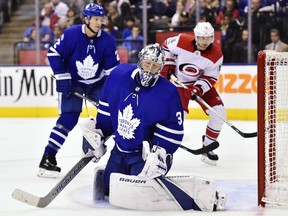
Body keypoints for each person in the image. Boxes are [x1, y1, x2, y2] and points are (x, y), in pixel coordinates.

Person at [80, 44, 226, 211]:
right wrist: (98, 135)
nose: (150, 70)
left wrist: (160, 153)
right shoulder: (118, 77)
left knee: (139, 193)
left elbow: (172, 130)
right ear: (140, 61)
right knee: (107, 188)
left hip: (142, 155)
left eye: (155, 66)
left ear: (161, 68)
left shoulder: (168, 93)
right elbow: (106, 113)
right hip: (119, 151)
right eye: (147, 63)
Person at [37, 3, 120, 178]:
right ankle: (48, 157)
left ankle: (94, 139)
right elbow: (53, 54)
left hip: (98, 83)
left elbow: (113, 71)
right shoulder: (72, 34)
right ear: (86, 19)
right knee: (68, 118)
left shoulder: (107, 41)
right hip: (74, 82)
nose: (99, 23)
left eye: (101, 19)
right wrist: (61, 75)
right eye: (96, 19)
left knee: (113, 114)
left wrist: (115, 92)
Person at [160, 22, 225, 166]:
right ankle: (163, 150)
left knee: (219, 112)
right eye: (201, 38)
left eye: (208, 38)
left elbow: (210, 77)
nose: (205, 42)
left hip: (198, 86)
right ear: (196, 36)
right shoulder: (181, 40)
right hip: (179, 85)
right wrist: (168, 65)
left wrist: (198, 88)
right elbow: (165, 46)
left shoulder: (216, 54)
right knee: (178, 118)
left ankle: (208, 147)